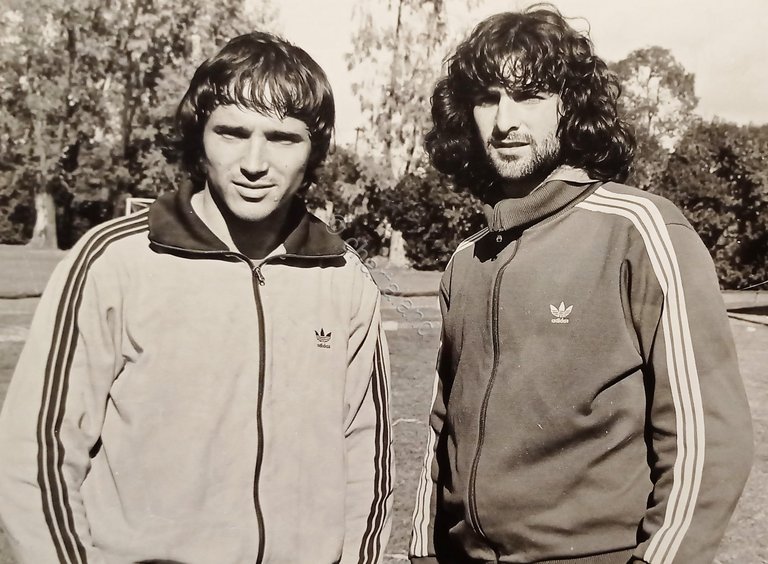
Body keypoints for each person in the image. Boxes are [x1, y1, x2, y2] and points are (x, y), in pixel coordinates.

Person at [0, 32, 393, 564]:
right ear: (199, 137)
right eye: (232, 132)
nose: (255, 162)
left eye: (282, 138)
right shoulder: (114, 261)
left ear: (313, 151)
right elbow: (37, 454)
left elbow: (367, 464)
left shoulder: (345, 279)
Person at [409, 6, 752, 564]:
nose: (504, 122)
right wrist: (423, 549)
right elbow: (440, 425)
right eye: (487, 98)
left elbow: (706, 439)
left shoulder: (641, 231)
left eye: (530, 96)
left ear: (571, 107)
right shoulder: (466, 261)